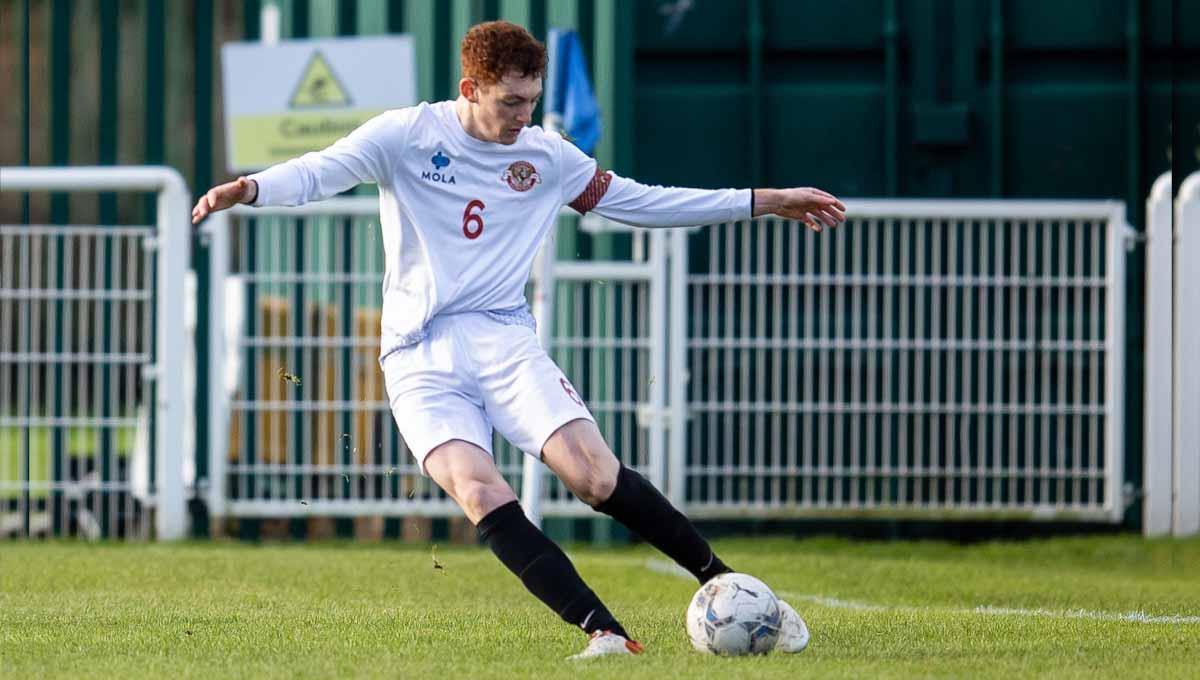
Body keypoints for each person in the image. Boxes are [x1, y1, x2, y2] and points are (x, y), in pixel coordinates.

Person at [192, 20, 845, 659]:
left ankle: (735, 591)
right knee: (479, 493)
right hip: (419, 355)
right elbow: (319, 170)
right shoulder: (406, 135)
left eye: (530, 102)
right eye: (510, 102)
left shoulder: (547, 156)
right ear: (469, 88)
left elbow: (640, 201)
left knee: (593, 475)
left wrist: (760, 200)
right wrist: (251, 188)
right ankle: (606, 633)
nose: (521, 118)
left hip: (504, 340)